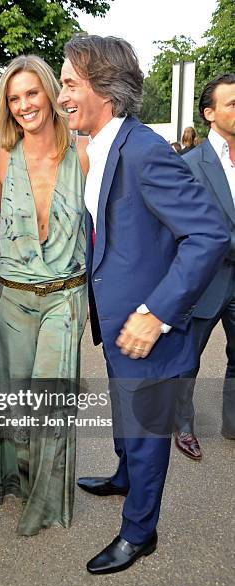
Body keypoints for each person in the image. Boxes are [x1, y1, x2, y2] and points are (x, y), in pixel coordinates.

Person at [58, 35, 229, 574]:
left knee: (147, 432)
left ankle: (139, 532)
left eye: (68, 83)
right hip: (117, 327)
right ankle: (124, 476)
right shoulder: (106, 145)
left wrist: (156, 313)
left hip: (148, 329)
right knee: (127, 419)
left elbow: (208, 235)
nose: (61, 95)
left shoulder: (146, 151)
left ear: (103, 89)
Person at [0, 55, 89, 536]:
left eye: (32, 93)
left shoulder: (83, 155)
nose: (25, 104)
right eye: (14, 97)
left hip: (64, 297)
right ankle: (18, 481)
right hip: (13, 300)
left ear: (50, 93)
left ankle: (46, 499)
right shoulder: (0, 158)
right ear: (7, 106)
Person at [175, 73, 235, 459]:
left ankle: (233, 423)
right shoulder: (189, 164)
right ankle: (182, 425)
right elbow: (180, 227)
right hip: (204, 281)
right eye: (233, 103)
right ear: (209, 113)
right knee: (186, 361)